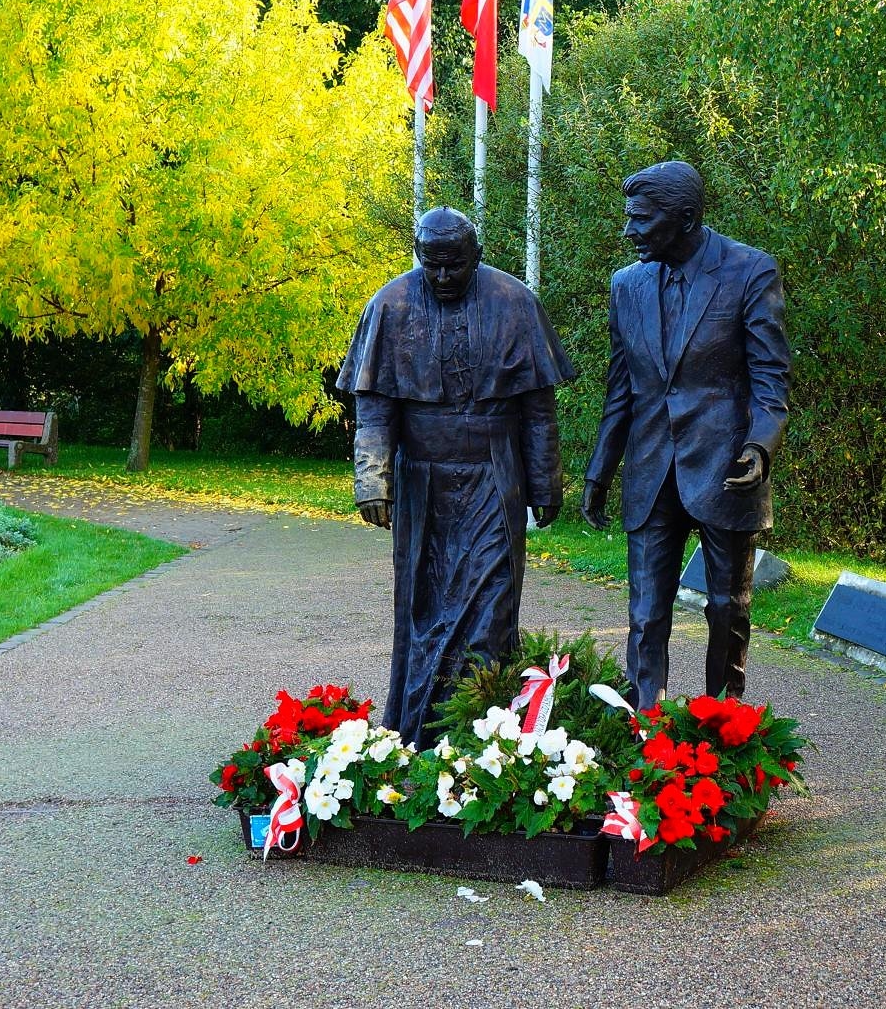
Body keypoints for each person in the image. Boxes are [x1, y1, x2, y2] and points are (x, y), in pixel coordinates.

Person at [336, 209, 575, 745]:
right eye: (432, 265)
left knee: (491, 601)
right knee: (425, 605)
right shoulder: (391, 304)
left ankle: (486, 733)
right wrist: (373, 480)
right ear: (419, 256)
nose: (442, 277)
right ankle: (422, 729)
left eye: (455, 266)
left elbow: (538, 409)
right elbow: (373, 409)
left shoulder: (514, 302)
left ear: (476, 256)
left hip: (494, 473)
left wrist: (544, 483)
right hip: (423, 479)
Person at [581, 162, 791, 707]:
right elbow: (621, 389)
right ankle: (645, 721)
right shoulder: (626, 285)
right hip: (651, 467)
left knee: (727, 605)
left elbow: (771, 380)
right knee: (646, 606)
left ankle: (723, 719)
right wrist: (599, 472)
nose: (629, 232)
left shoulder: (749, 271)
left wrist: (759, 446)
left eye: (642, 221)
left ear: (688, 218)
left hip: (726, 467)